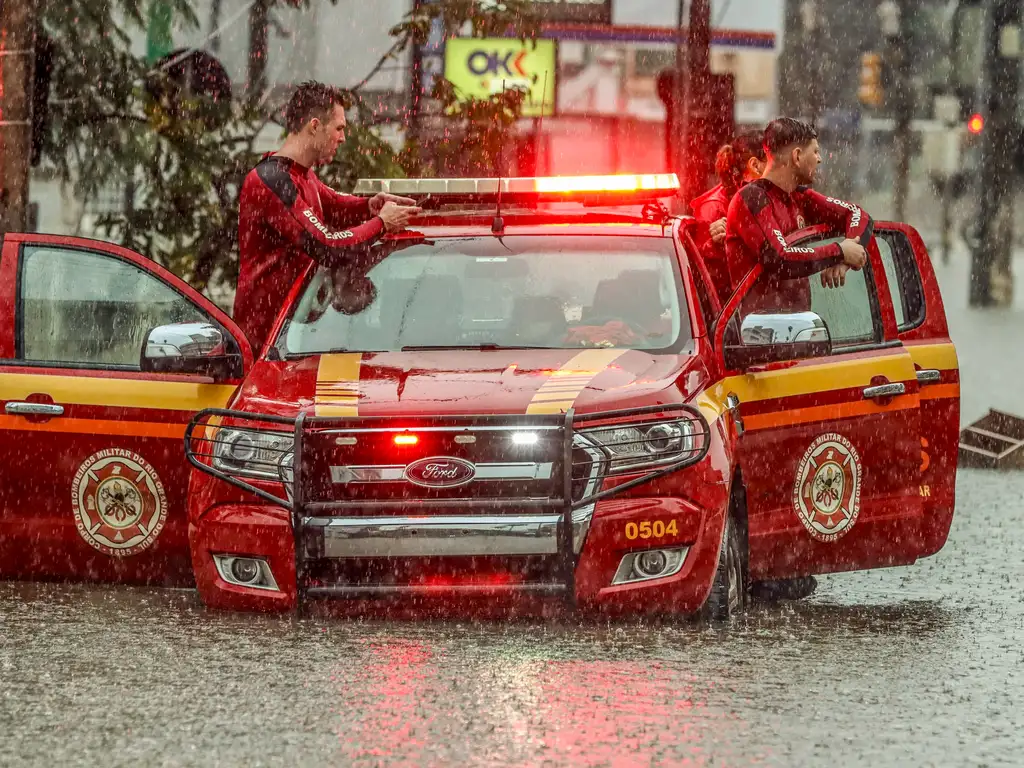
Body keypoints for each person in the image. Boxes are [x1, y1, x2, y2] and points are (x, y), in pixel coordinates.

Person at [234, 80, 421, 351]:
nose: (343, 138)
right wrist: (382, 223)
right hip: (265, 345)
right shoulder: (273, 180)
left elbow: (333, 204)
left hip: (294, 338)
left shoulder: (300, 174)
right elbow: (326, 245)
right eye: (339, 128)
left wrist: (370, 205)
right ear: (314, 126)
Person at [724, 117, 872, 314]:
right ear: (797, 156)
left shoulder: (798, 196)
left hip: (799, 329)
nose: (820, 159)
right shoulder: (752, 198)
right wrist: (839, 251)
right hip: (758, 334)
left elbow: (858, 214)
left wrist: (845, 259)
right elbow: (779, 258)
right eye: (816, 152)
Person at [690, 130, 767, 299]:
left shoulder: (767, 198)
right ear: (755, 166)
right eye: (772, 161)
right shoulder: (713, 209)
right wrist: (713, 245)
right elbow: (699, 277)